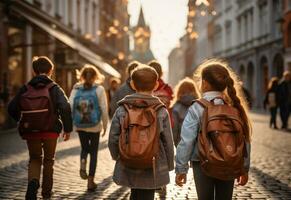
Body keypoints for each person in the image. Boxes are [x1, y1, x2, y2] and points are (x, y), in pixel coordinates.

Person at [175, 60, 251, 200]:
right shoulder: (234, 107)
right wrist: (244, 168)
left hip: (202, 162)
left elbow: (186, 140)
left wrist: (181, 168)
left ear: (204, 82)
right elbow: (245, 139)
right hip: (230, 160)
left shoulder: (197, 107)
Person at [7, 56, 72, 200]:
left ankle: (33, 182)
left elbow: (11, 108)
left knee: (35, 159)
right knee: (49, 161)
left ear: (33, 71)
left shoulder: (26, 88)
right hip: (50, 131)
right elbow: (66, 107)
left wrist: (22, 119)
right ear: (50, 71)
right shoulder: (54, 88)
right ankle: (46, 194)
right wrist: (67, 129)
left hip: (31, 131)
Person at [108, 64, 174, 200]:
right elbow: (168, 140)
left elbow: (113, 137)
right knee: (147, 194)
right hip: (153, 162)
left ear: (132, 84)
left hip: (128, 158)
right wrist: (169, 163)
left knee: (135, 191)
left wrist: (117, 156)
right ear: (156, 85)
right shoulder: (161, 110)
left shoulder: (123, 109)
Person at [69, 64, 108, 191]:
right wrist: (105, 126)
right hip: (95, 125)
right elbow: (104, 108)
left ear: (82, 76)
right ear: (96, 76)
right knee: (94, 152)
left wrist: (72, 122)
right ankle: (90, 182)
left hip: (80, 124)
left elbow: (70, 105)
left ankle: (83, 161)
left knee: (85, 148)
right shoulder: (100, 89)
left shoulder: (76, 89)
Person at [171, 77, 200, 147]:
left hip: (181, 145)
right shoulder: (199, 106)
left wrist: (174, 145)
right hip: (197, 146)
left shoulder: (176, 108)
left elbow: (174, 130)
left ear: (179, 91)